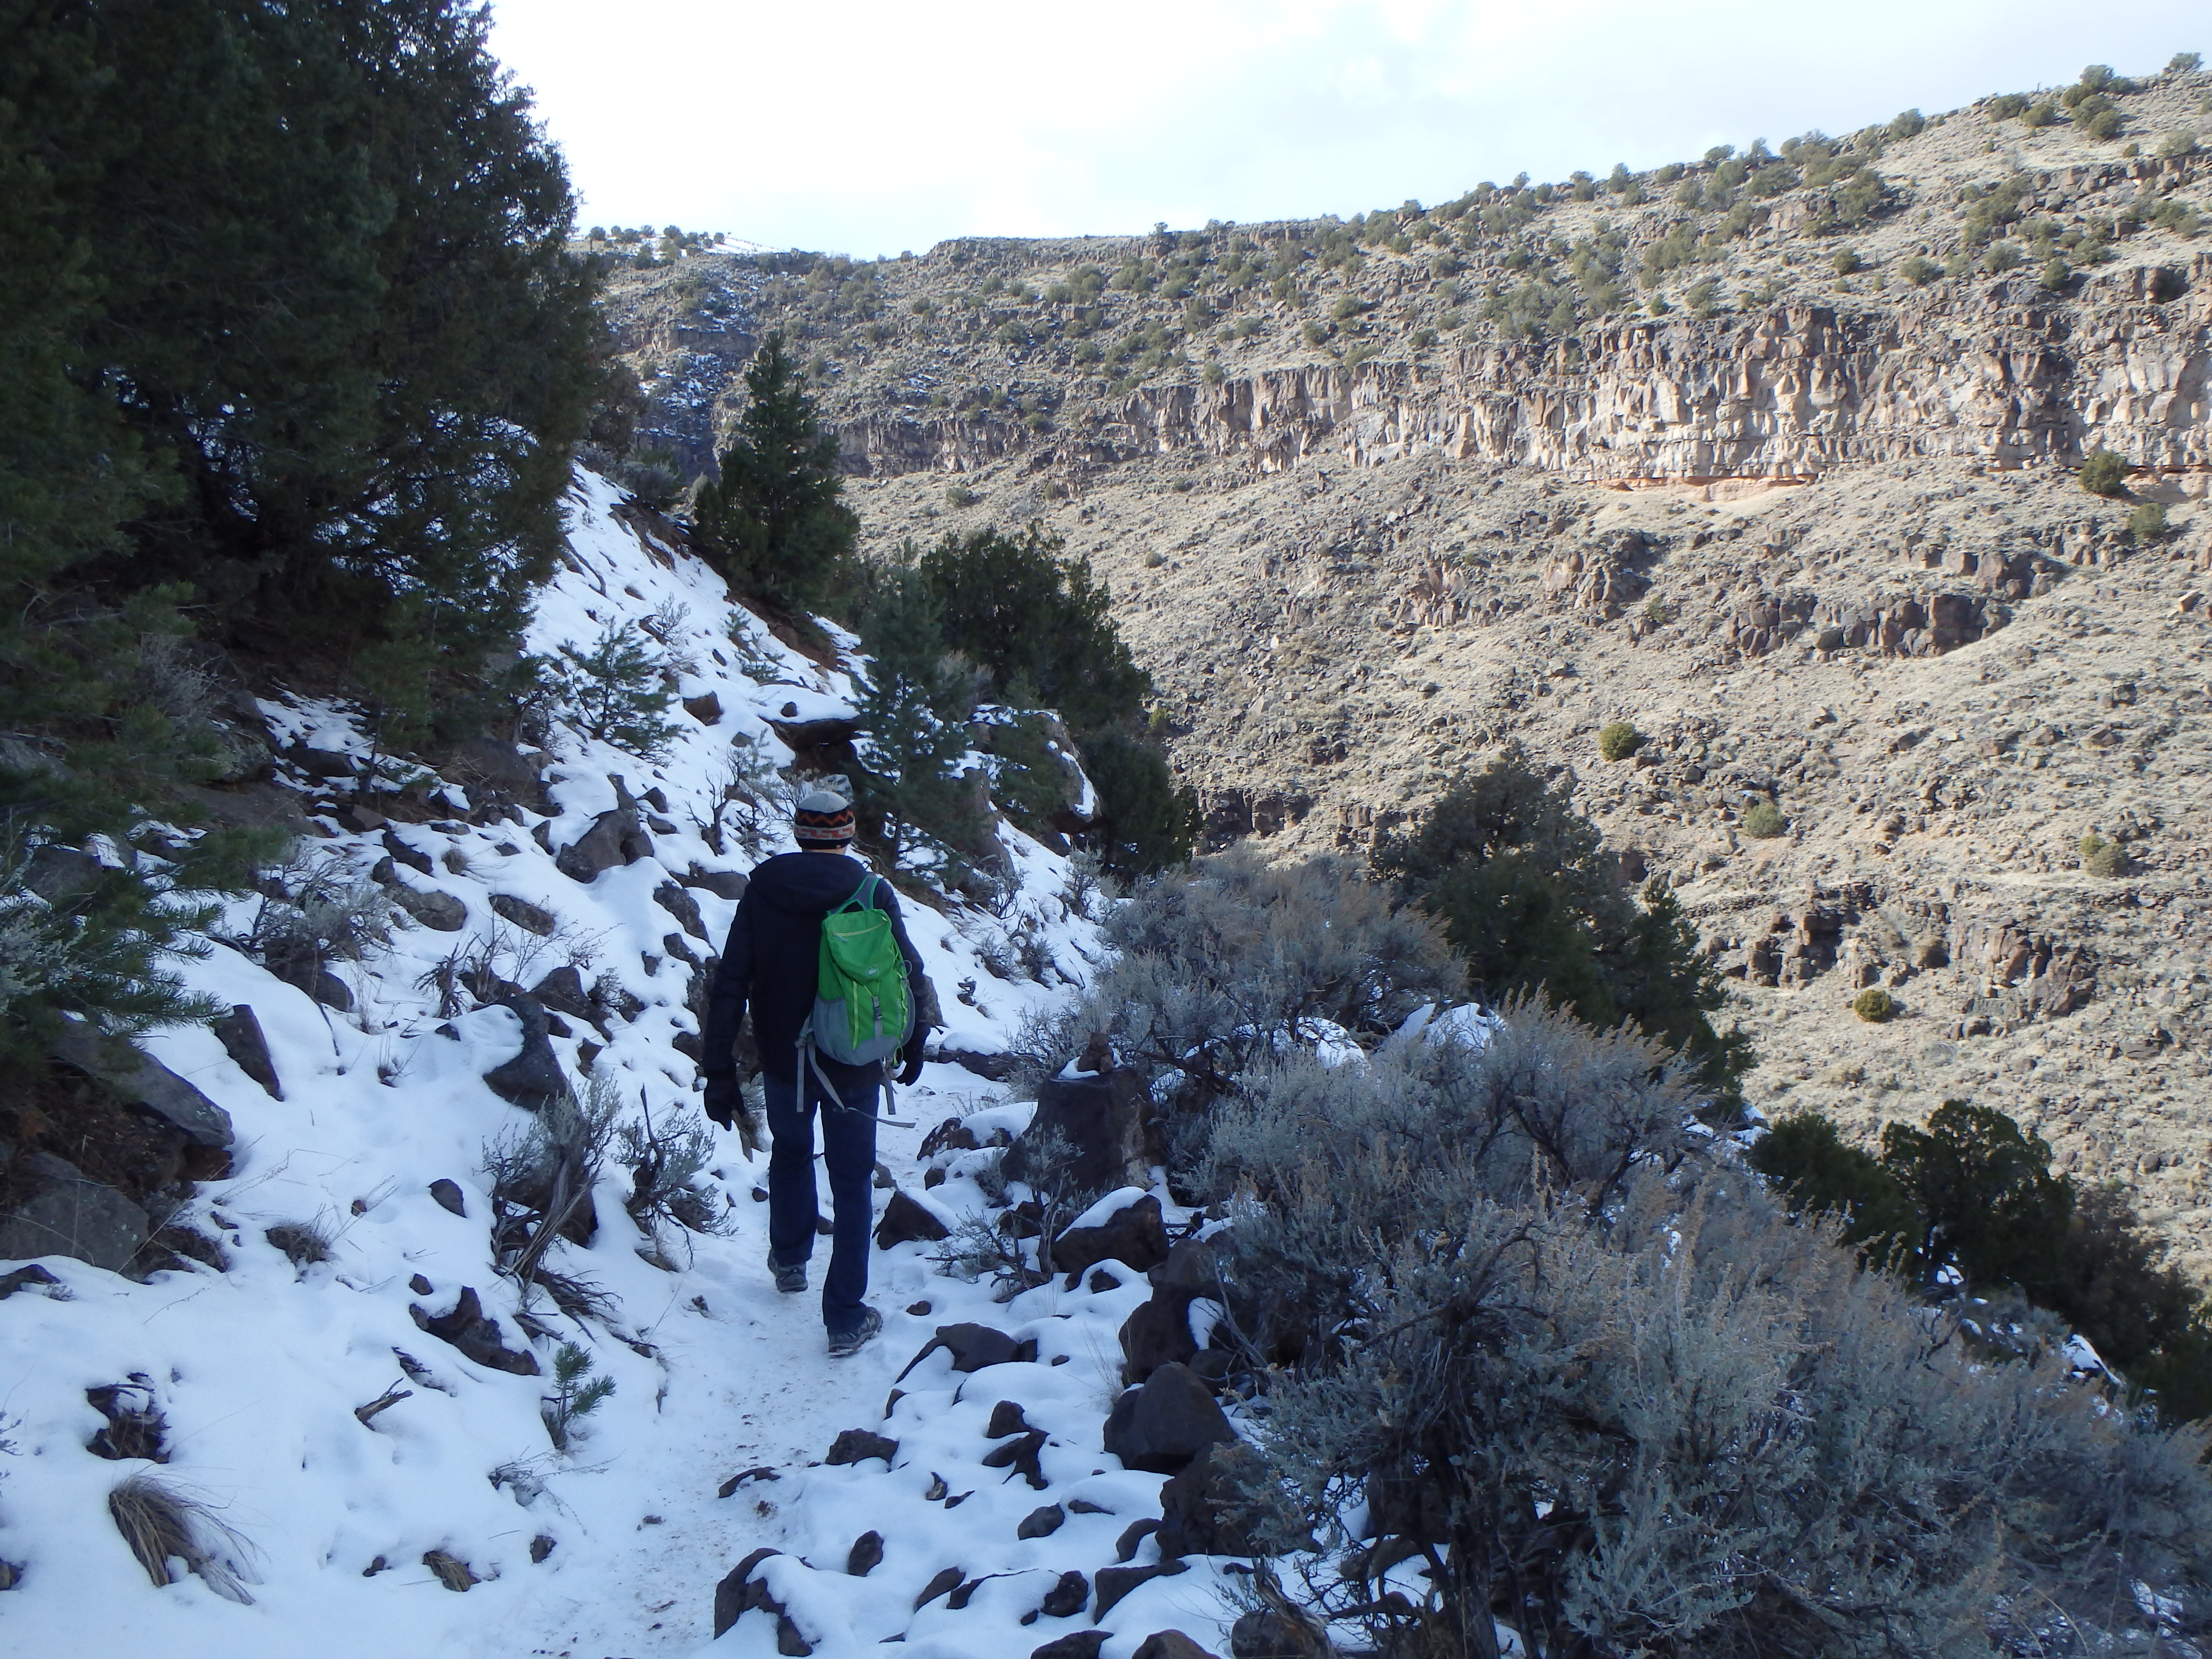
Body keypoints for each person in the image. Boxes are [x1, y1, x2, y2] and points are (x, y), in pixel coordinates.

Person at [700, 789, 937, 1357]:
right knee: (852, 1183)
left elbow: (730, 983)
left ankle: (789, 1259)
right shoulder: (871, 892)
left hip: (783, 1057)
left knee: (790, 1152)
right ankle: (846, 1318)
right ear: (847, 834)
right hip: (855, 1059)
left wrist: (719, 1069)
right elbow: (908, 970)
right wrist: (915, 1039)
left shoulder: (763, 891)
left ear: (799, 833)